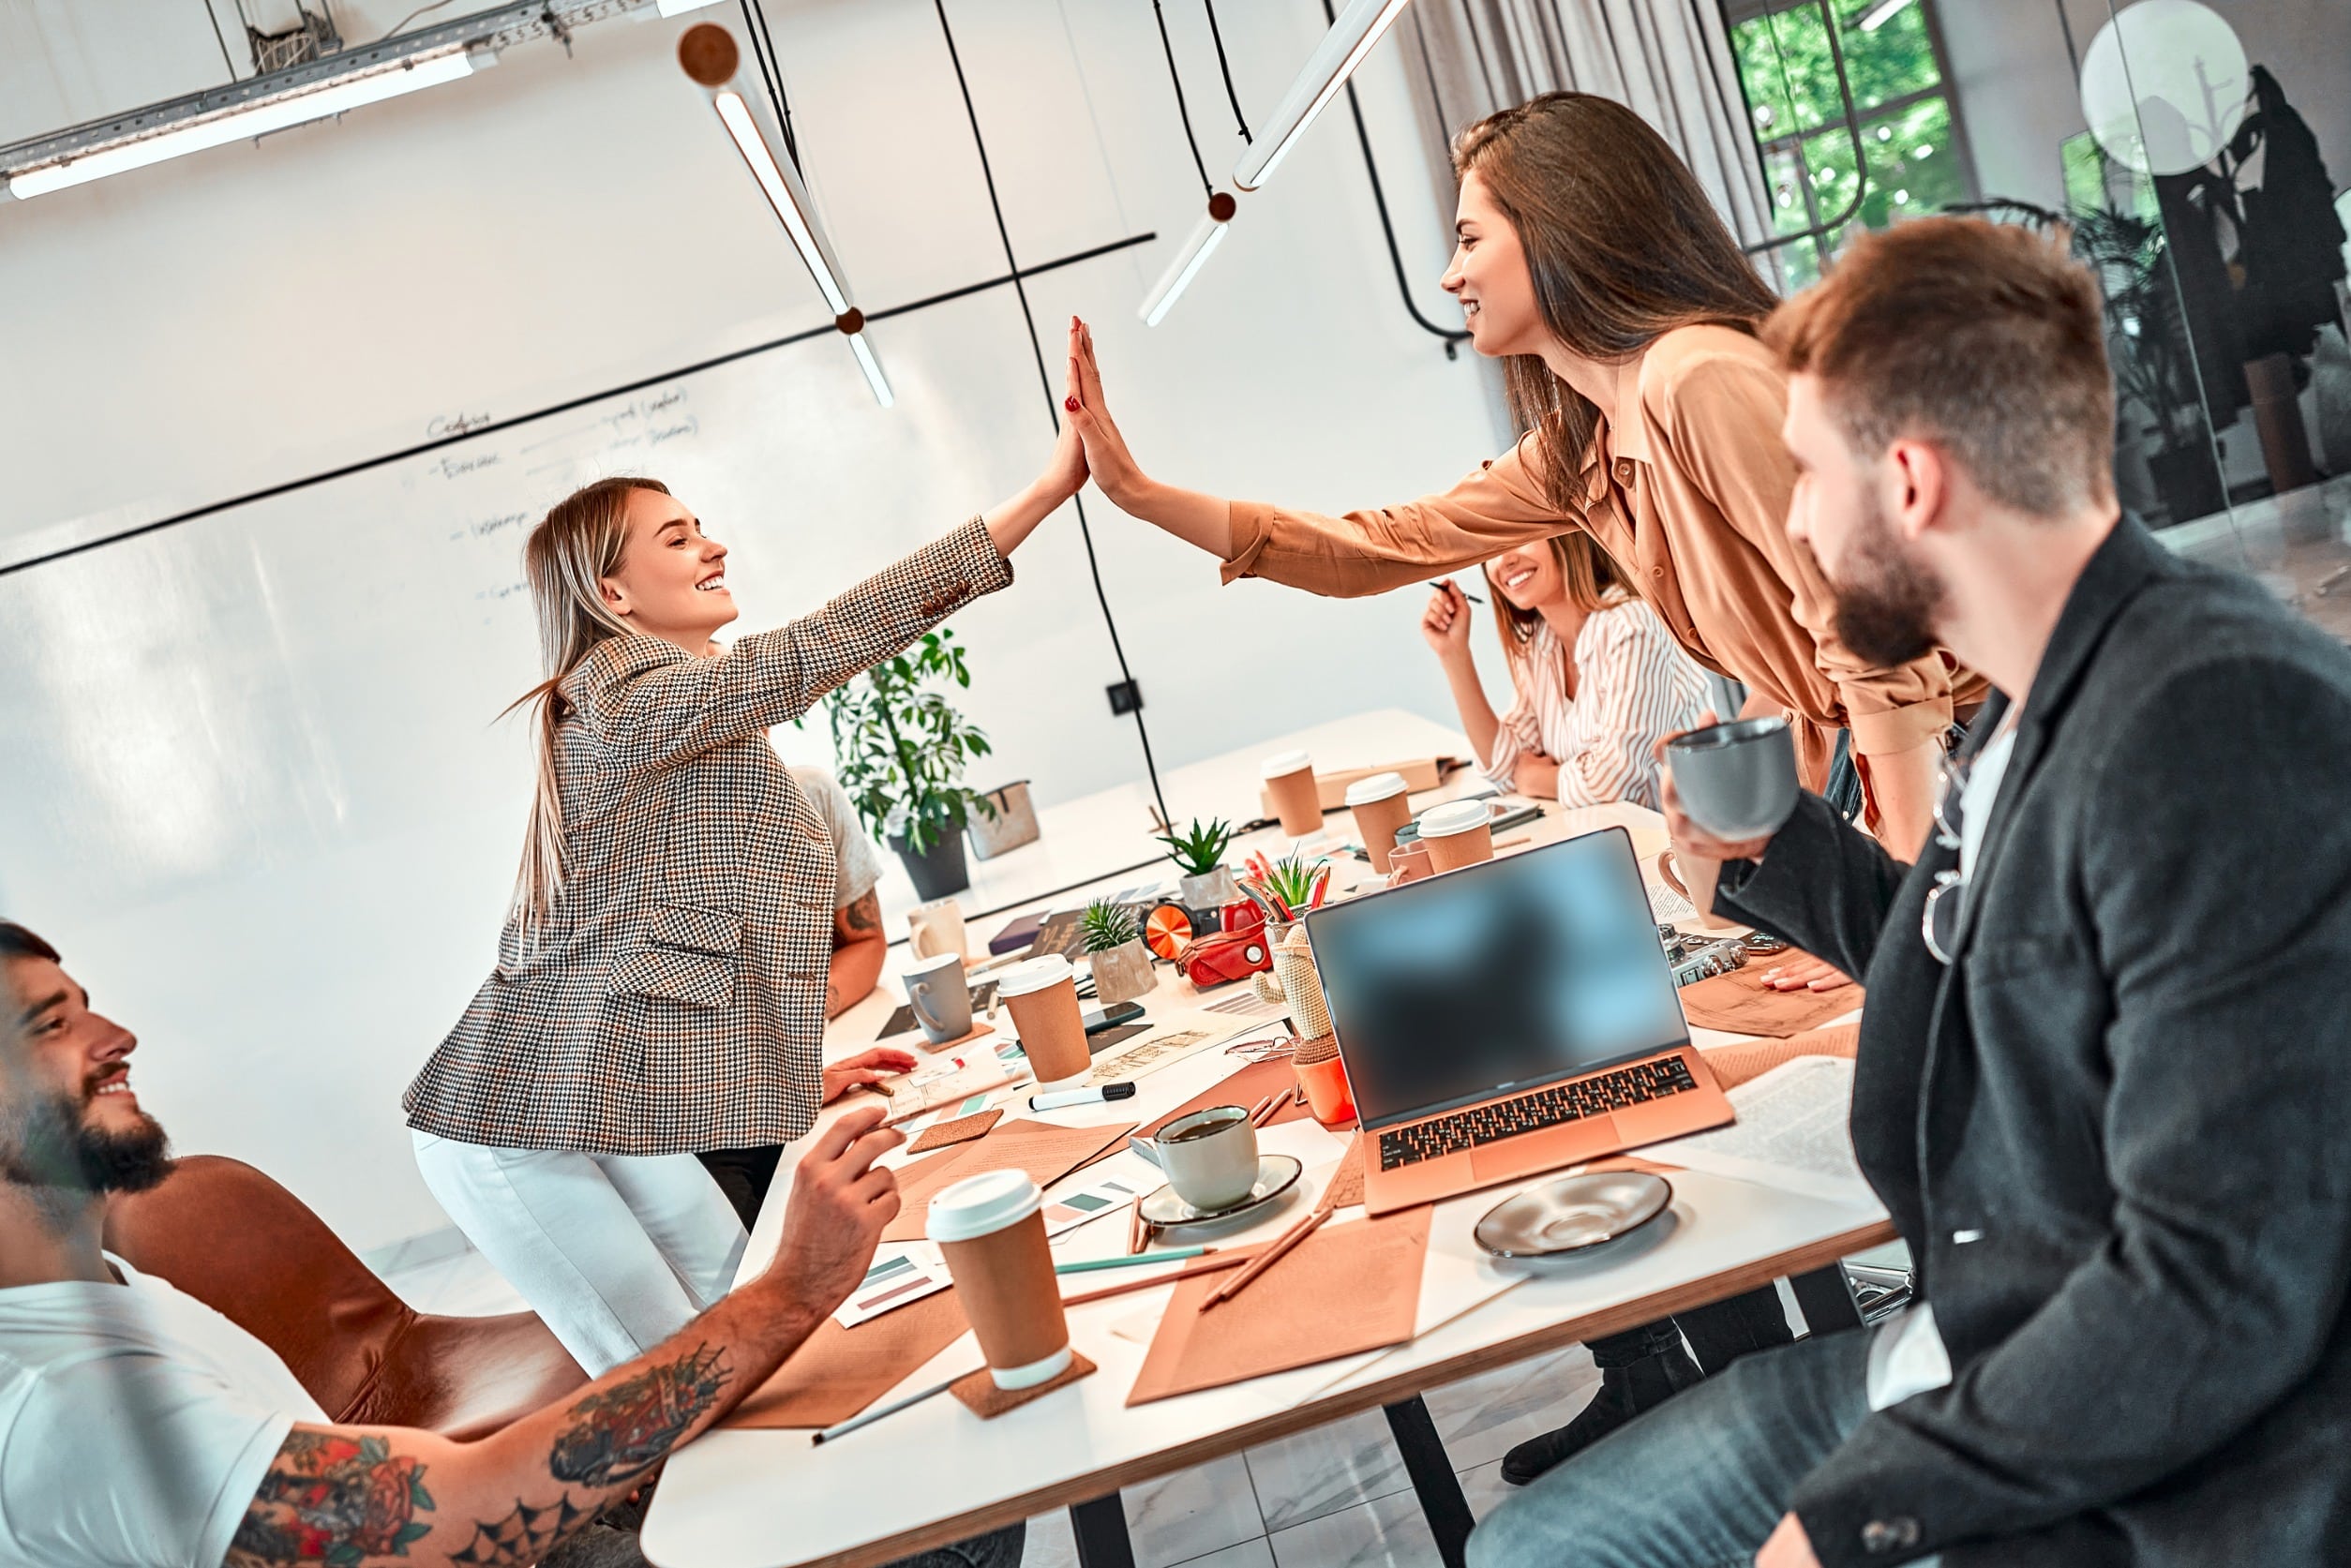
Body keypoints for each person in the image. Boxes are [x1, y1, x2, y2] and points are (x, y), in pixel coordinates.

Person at [1471, 219, 2351, 1568]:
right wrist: (1771, 856)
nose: (1799, 523)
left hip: (2138, 1451)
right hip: (1979, 1347)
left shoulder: (2212, 720)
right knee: (1531, 1548)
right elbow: (1989, 978)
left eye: (1811, 477)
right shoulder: (2035, 691)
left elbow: (2214, 1283)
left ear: (1914, 481)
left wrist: (1854, 1517)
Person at [1063, 90, 1984, 859]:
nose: (1448, 276)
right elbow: (1382, 548)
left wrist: (1899, 911)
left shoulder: (1694, 378)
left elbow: (1879, 645)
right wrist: (1137, 496)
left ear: (1560, 227)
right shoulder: (1579, 447)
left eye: (1470, 239)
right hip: (1927, 771)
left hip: (1999, 749)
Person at [0, 918, 1019, 1568]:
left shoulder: (112, 1285)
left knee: (939, 1463)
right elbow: (446, 1515)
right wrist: (790, 1288)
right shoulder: (69, 1409)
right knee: (955, 1517)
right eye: (52, 1024)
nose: (117, 1034)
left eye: (88, 1005)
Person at [404, 414, 1085, 1378]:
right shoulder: (622, 693)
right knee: (672, 1373)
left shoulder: (692, 721)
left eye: (700, 526)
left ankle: (825, 1513)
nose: (713, 543)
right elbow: (817, 647)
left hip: (606, 1093)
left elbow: (669, 953)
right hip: (512, 1129)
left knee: (740, 1306)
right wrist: (1041, 498)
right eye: (677, 537)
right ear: (612, 593)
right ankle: (713, 1527)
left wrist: (777, 1075)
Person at [699, 764, 902, 1230]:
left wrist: (798, 1019)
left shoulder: (810, 793)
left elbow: (865, 942)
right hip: (700, 1130)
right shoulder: (643, 837)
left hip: (781, 1087)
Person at [1420, 533, 1706, 807]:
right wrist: (1454, 655)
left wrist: (1536, 778)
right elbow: (1506, 768)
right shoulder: (1537, 642)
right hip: (1611, 834)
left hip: (1678, 846)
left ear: (1563, 533)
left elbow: (1616, 781)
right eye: (1491, 551)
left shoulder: (1632, 626)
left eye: (1521, 537)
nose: (1503, 561)